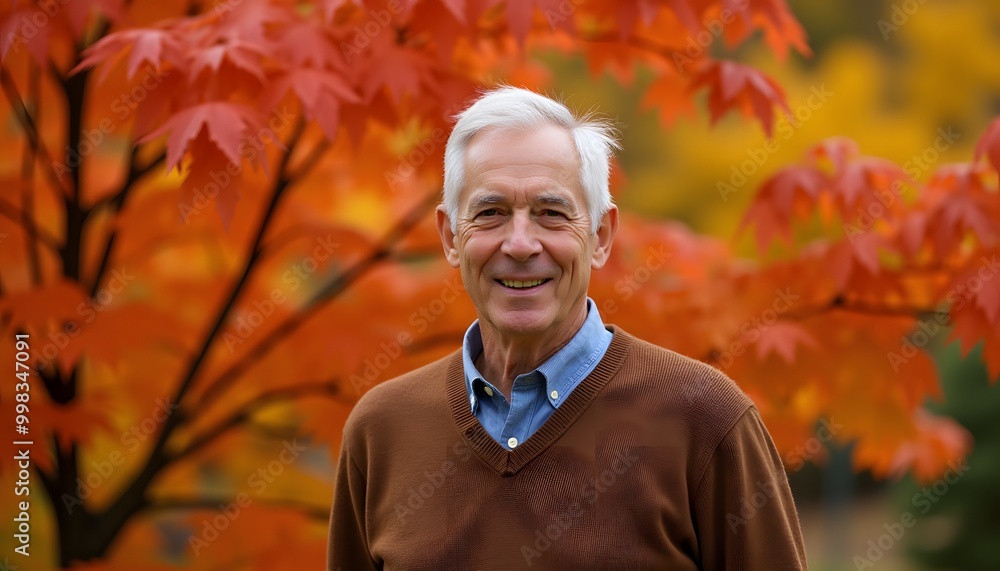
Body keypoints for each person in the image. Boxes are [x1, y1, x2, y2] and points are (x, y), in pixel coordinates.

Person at [327, 87, 808, 570]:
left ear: (600, 237)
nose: (520, 244)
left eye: (551, 214)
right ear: (451, 237)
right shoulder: (381, 431)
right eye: (491, 213)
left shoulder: (704, 418)